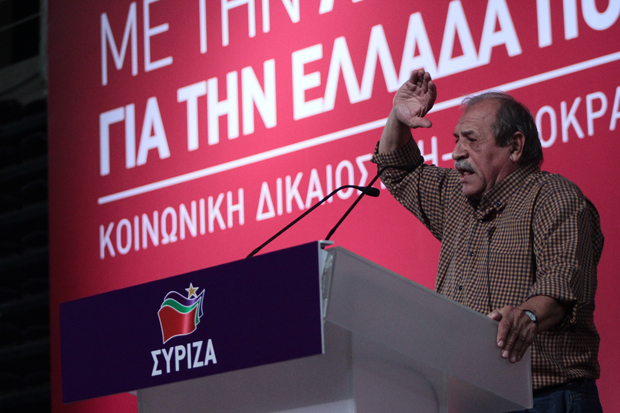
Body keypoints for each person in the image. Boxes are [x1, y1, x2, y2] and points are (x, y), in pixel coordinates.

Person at [371, 69, 604, 412]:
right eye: (456, 140)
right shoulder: (455, 198)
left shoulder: (554, 196)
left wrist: (527, 316)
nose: (456, 152)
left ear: (515, 146)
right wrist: (398, 117)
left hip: (546, 397)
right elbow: (396, 168)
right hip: (471, 401)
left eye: (471, 140)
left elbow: (561, 282)